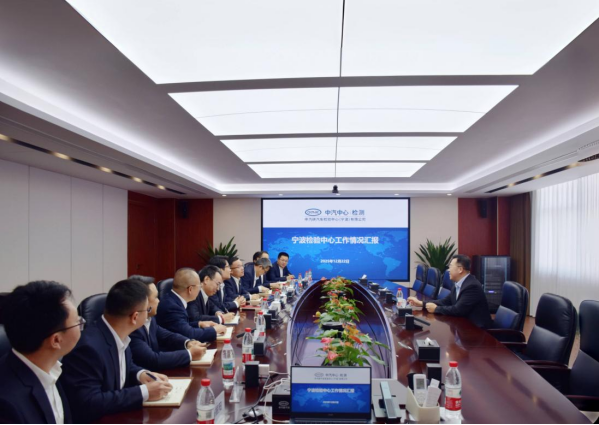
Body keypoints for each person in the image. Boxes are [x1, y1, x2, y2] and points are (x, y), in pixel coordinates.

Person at [61, 279, 172, 423]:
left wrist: (141, 374)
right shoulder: (88, 348)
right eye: (147, 310)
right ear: (135, 317)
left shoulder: (117, 333)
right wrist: (144, 392)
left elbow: (124, 366)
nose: (148, 314)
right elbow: (90, 402)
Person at [0, 281, 81, 424]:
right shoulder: (7, 406)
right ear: (56, 340)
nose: (81, 325)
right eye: (78, 322)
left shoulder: (49, 366)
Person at [128, 275, 207, 371]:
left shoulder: (150, 319)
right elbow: (152, 360)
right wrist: (189, 354)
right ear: (144, 303)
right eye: (155, 297)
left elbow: (166, 335)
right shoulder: (132, 327)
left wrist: (187, 343)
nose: (159, 301)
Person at [408, 255, 492, 329]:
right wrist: (421, 303)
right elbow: (446, 301)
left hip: (476, 331)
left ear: (460, 269)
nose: (448, 270)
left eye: (450, 267)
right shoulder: (459, 283)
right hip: (463, 326)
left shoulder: (472, 286)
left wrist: (436, 309)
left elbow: (458, 310)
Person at [156, 268, 226, 343]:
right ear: (190, 289)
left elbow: (181, 326)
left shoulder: (174, 300)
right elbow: (189, 334)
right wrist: (214, 330)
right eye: (199, 287)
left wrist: (199, 324)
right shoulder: (172, 307)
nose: (199, 290)